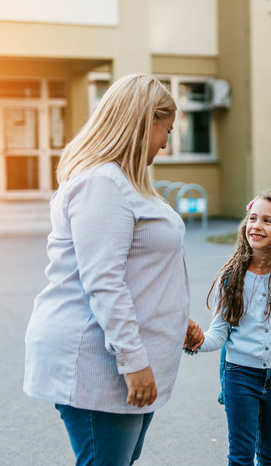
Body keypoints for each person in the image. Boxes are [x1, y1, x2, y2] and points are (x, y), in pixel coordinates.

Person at [23, 74, 200, 466]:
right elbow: (103, 282)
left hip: (123, 354)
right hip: (96, 360)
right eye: (165, 130)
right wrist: (134, 363)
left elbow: (140, 268)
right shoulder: (101, 184)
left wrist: (174, 318)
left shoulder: (126, 183)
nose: (167, 142)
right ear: (143, 122)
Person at [185, 191, 271, 466]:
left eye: (268, 220)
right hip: (239, 375)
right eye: (253, 218)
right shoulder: (230, 277)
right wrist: (195, 340)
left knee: (269, 455)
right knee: (241, 456)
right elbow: (219, 333)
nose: (257, 225)